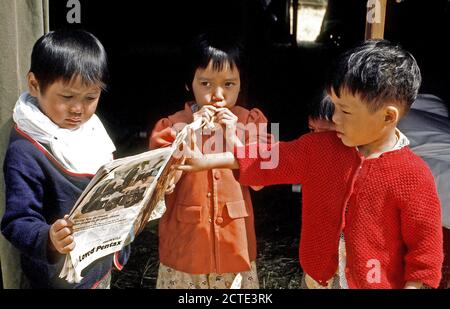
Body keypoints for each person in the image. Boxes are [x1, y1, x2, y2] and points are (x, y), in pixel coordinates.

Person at [177, 40, 444, 289]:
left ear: (387, 117)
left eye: (345, 111)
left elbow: (425, 252)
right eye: (335, 105)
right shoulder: (320, 148)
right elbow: (266, 158)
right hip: (317, 281)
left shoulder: (414, 176)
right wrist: (204, 161)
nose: (334, 118)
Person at [1, 29, 129, 288]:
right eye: (67, 97)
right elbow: (17, 220)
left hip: (99, 266)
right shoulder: (27, 150)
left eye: (91, 98)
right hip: (60, 278)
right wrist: (48, 238)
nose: (78, 109)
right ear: (35, 85)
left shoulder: (90, 129)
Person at [148, 32, 270, 289]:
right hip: (185, 248)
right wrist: (190, 132)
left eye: (229, 84)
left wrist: (234, 136)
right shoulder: (170, 126)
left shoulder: (252, 122)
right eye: (206, 84)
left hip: (234, 246)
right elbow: (160, 186)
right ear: (188, 83)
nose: (218, 95)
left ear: (241, 83)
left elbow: (263, 178)